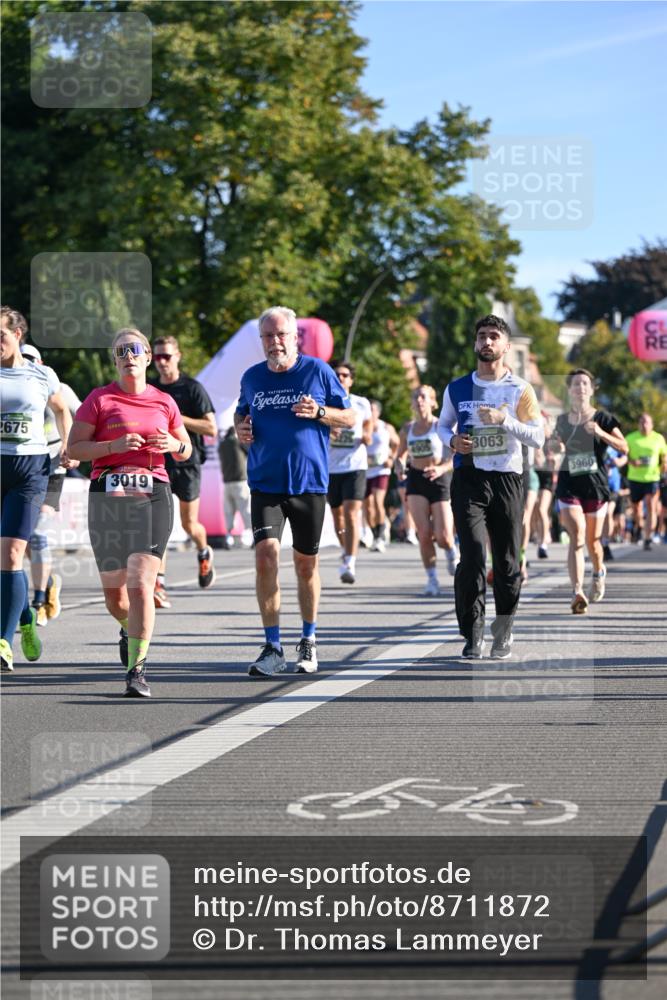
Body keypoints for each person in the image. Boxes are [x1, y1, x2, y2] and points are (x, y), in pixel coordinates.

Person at [67, 328, 192, 697]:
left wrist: (173, 443)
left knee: (141, 583)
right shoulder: (99, 399)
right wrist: (113, 445)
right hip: (107, 497)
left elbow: (184, 448)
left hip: (153, 494)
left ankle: (137, 670)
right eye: (121, 351)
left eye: (135, 349)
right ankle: (130, 628)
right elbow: (76, 448)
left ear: (148, 357)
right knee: (115, 596)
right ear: (115, 359)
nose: (129, 355)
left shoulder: (164, 401)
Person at [235, 306, 354, 677]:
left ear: (295, 337)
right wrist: (241, 429)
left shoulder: (317, 370)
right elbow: (242, 415)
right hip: (265, 484)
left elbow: (349, 417)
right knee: (266, 557)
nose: (275, 342)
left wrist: (320, 412)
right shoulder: (252, 377)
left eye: (281, 335)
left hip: (309, 483)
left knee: (306, 566)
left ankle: (309, 638)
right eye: (268, 336)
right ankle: (272, 646)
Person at [437, 315, 545, 659]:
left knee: (508, 562)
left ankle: (504, 629)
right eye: (481, 336)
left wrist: (505, 420)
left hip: (508, 480)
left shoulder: (520, 390)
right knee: (470, 558)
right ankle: (473, 633)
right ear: (475, 343)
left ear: (506, 346)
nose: (486, 342)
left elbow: (539, 437)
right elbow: (442, 427)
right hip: (469, 478)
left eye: (493, 337)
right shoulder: (456, 387)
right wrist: (453, 441)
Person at [1, 307, 74, 672]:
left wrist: (66, 444)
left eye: (1, 334)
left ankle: (4, 642)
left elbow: (62, 409)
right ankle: (26, 616)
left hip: (30, 469)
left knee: (14, 553)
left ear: (18, 335)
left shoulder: (41, 374)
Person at [553, 368, 627, 614]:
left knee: (593, 543)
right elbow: (553, 445)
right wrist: (553, 444)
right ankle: (577, 592)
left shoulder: (604, 418)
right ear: (569, 389)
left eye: (585, 383)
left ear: (592, 389)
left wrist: (601, 433)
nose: (580, 387)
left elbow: (624, 447)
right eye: (575, 383)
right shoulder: (562, 420)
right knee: (577, 535)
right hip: (569, 483)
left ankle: (598, 570)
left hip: (595, 485)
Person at [150, 335, 217, 608]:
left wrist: (176, 417)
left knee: (190, 524)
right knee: (159, 526)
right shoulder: (150, 389)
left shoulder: (192, 388)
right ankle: (159, 585)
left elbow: (211, 428)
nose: (162, 362)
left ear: (178, 356)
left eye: (167, 356)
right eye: (157, 357)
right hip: (158, 462)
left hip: (187, 462)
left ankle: (204, 551)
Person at [20, 342, 82, 625]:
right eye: (24, 360)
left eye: (33, 360)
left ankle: (39, 601)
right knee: (21, 537)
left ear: (42, 362)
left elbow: (84, 420)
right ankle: (47, 584)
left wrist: (75, 449)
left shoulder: (61, 390)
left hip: (53, 469)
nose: (29, 365)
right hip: (22, 469)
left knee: (37, 533)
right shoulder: (14, 388)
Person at [396, 385, 457, 596]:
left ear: (433, 402)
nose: (419, 400)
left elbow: (454, 457)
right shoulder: (407, 429)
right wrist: (398, 465)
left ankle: (450, 552)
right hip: (416, 481)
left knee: (444, 536)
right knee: (423, 534)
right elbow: (400, 455)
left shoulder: (441, 426)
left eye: (423, 396)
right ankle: (432, 579)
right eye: (416, 397)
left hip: (439, 480)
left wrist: (441, 468)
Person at [327, 361, 372, 583]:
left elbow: (368, 427)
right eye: (337, 374)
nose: (341, 378)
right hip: (331, 467)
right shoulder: (325, 403)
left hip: (355, 465)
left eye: (345, 375)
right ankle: (346, 550)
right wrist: (328, 430)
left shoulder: (361, 403)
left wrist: (367, 436)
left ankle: (350, 562)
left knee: (351, 513)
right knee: (338, 520)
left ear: (351, 380)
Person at [625, 413, 667, 551]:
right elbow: (624, 455)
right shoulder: (630, 438)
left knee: (651, 506)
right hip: (635, 478)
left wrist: (664, 464)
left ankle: (648, 538)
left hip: (652, 478)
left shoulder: (658, 438)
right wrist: (633, 462)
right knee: (636, 509)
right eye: (642, 422)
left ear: (652, 424)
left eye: (647, 422)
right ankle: (641, 527)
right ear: (638, 424)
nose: (644, 425)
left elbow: (664, 454)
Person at [364, 399, 400, 554]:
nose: (370, 412)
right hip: (365, 469)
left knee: (377, 501)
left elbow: (397, 443)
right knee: (368, 506)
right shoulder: (363, 426)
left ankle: (379, 537)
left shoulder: (386, 427)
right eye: (368, 409)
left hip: (381, 470)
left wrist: (391, 458)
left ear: (378, 412)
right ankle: (374, 533)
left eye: (373, 409)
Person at [218, 425, 252, 549]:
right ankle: (253, 538)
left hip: (227, 482)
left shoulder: (221, 445)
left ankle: (228, 539)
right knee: (246, 511)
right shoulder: (238, 442)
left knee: (229, 513)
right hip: (240, 481)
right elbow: (249, 452)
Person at [601, 445, 627, 561]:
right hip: (597, 483)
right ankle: (596, 543)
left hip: (612, 485)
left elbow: (624, 455)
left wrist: (619, 462)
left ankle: (605, 543)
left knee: (607, 513)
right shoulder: (591, 438)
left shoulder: (613, 439)